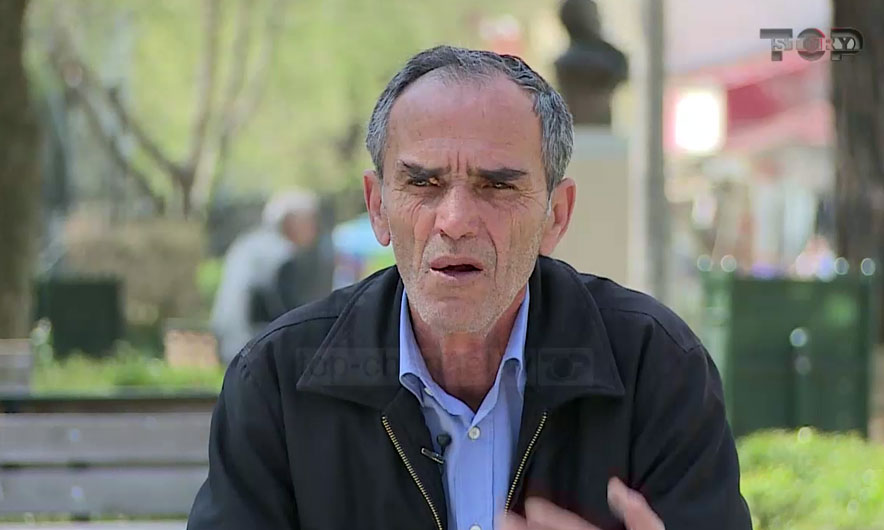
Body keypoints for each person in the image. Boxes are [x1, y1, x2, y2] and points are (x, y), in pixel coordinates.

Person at [188, 46, 751, 529]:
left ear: (556, 215)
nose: (455, 221)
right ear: (378, 207)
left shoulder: (656, 367)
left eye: (497, 186)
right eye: (423, 183)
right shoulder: (279, 380)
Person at [209, 189, 318, 365]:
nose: (314, 228)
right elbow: (286, 314)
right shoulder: (280, 255)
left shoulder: (250, 243)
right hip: (255, 348)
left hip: (230, 343)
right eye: (310, 220)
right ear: (290, 222)